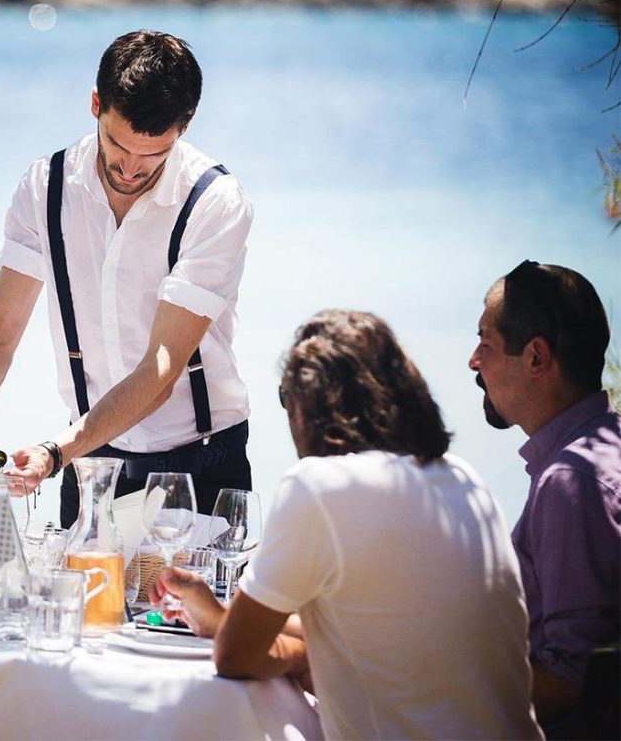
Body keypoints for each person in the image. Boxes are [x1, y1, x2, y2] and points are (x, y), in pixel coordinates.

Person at [0, 30, 254, 526]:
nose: (130, 169)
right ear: (95, 104)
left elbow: (161, 370)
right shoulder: (46, 187)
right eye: (117, 145)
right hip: (88, 462)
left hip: (200, 465)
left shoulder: (215, 202)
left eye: (153, 154)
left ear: (184, 126)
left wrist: (54, 452)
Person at [152, 310, 541, 740]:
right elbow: (386, 631)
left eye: (285, 396)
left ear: (306, 405)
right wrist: (223, 619)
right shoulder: (463, 480)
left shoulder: (321, 487)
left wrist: (292, 653)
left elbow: (235, 658)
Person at [468, 260, 620, 738]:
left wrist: (434, 696)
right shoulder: (603, 452)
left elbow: (572, 681)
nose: (473, 361)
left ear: (536, 358)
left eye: (486, 343)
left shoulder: (572, 480)